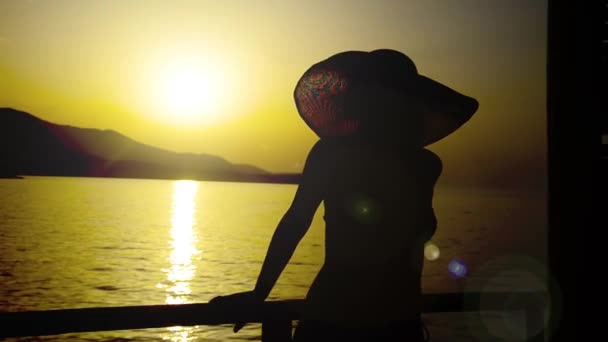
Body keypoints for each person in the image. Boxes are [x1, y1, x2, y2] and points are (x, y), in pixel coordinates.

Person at [210, 49, 478, 341]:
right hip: (335, 320)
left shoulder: (426, 165)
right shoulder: (333, 154)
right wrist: (259, 294)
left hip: (400, 326)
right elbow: (296, 221)